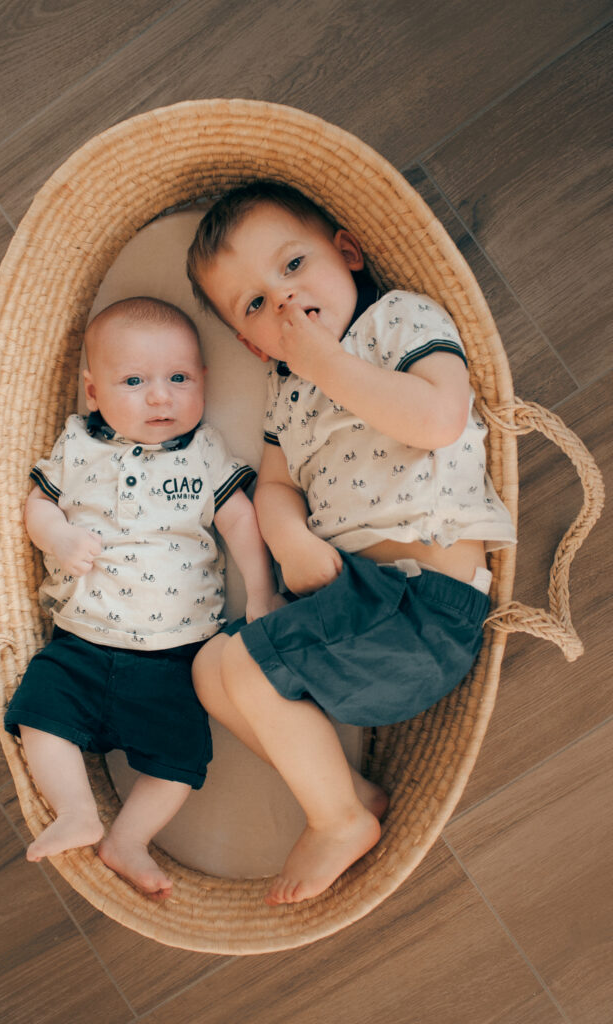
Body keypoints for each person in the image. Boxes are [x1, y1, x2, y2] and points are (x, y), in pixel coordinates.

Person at [185, 180, 516, 906]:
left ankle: (335, 820)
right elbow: (274, 486)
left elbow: (437, 419)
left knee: (236, 665)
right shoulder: (283, 394)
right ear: (248, 343)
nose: (283, 303)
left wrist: (326, 362)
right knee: (211, 672)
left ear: (349, 254)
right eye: (254, 305)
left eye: (293, 267)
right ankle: (345, 793)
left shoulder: (399, 320)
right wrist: (288, 534)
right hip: (356, 605)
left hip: (423, 608)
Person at [4, 296, 280, 899]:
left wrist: (260, 592)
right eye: (134, 381)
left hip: (176, 656)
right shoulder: (78, 446)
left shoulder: (204, 453)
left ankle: (126, 839)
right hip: (81, 639)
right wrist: (60, 535)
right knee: (38, 715)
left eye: (179, 379)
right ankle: (76, 809)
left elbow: (240, 521)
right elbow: (36, 504)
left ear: (203, 383)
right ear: (94, 391)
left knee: (181, 760)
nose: (161, 397)